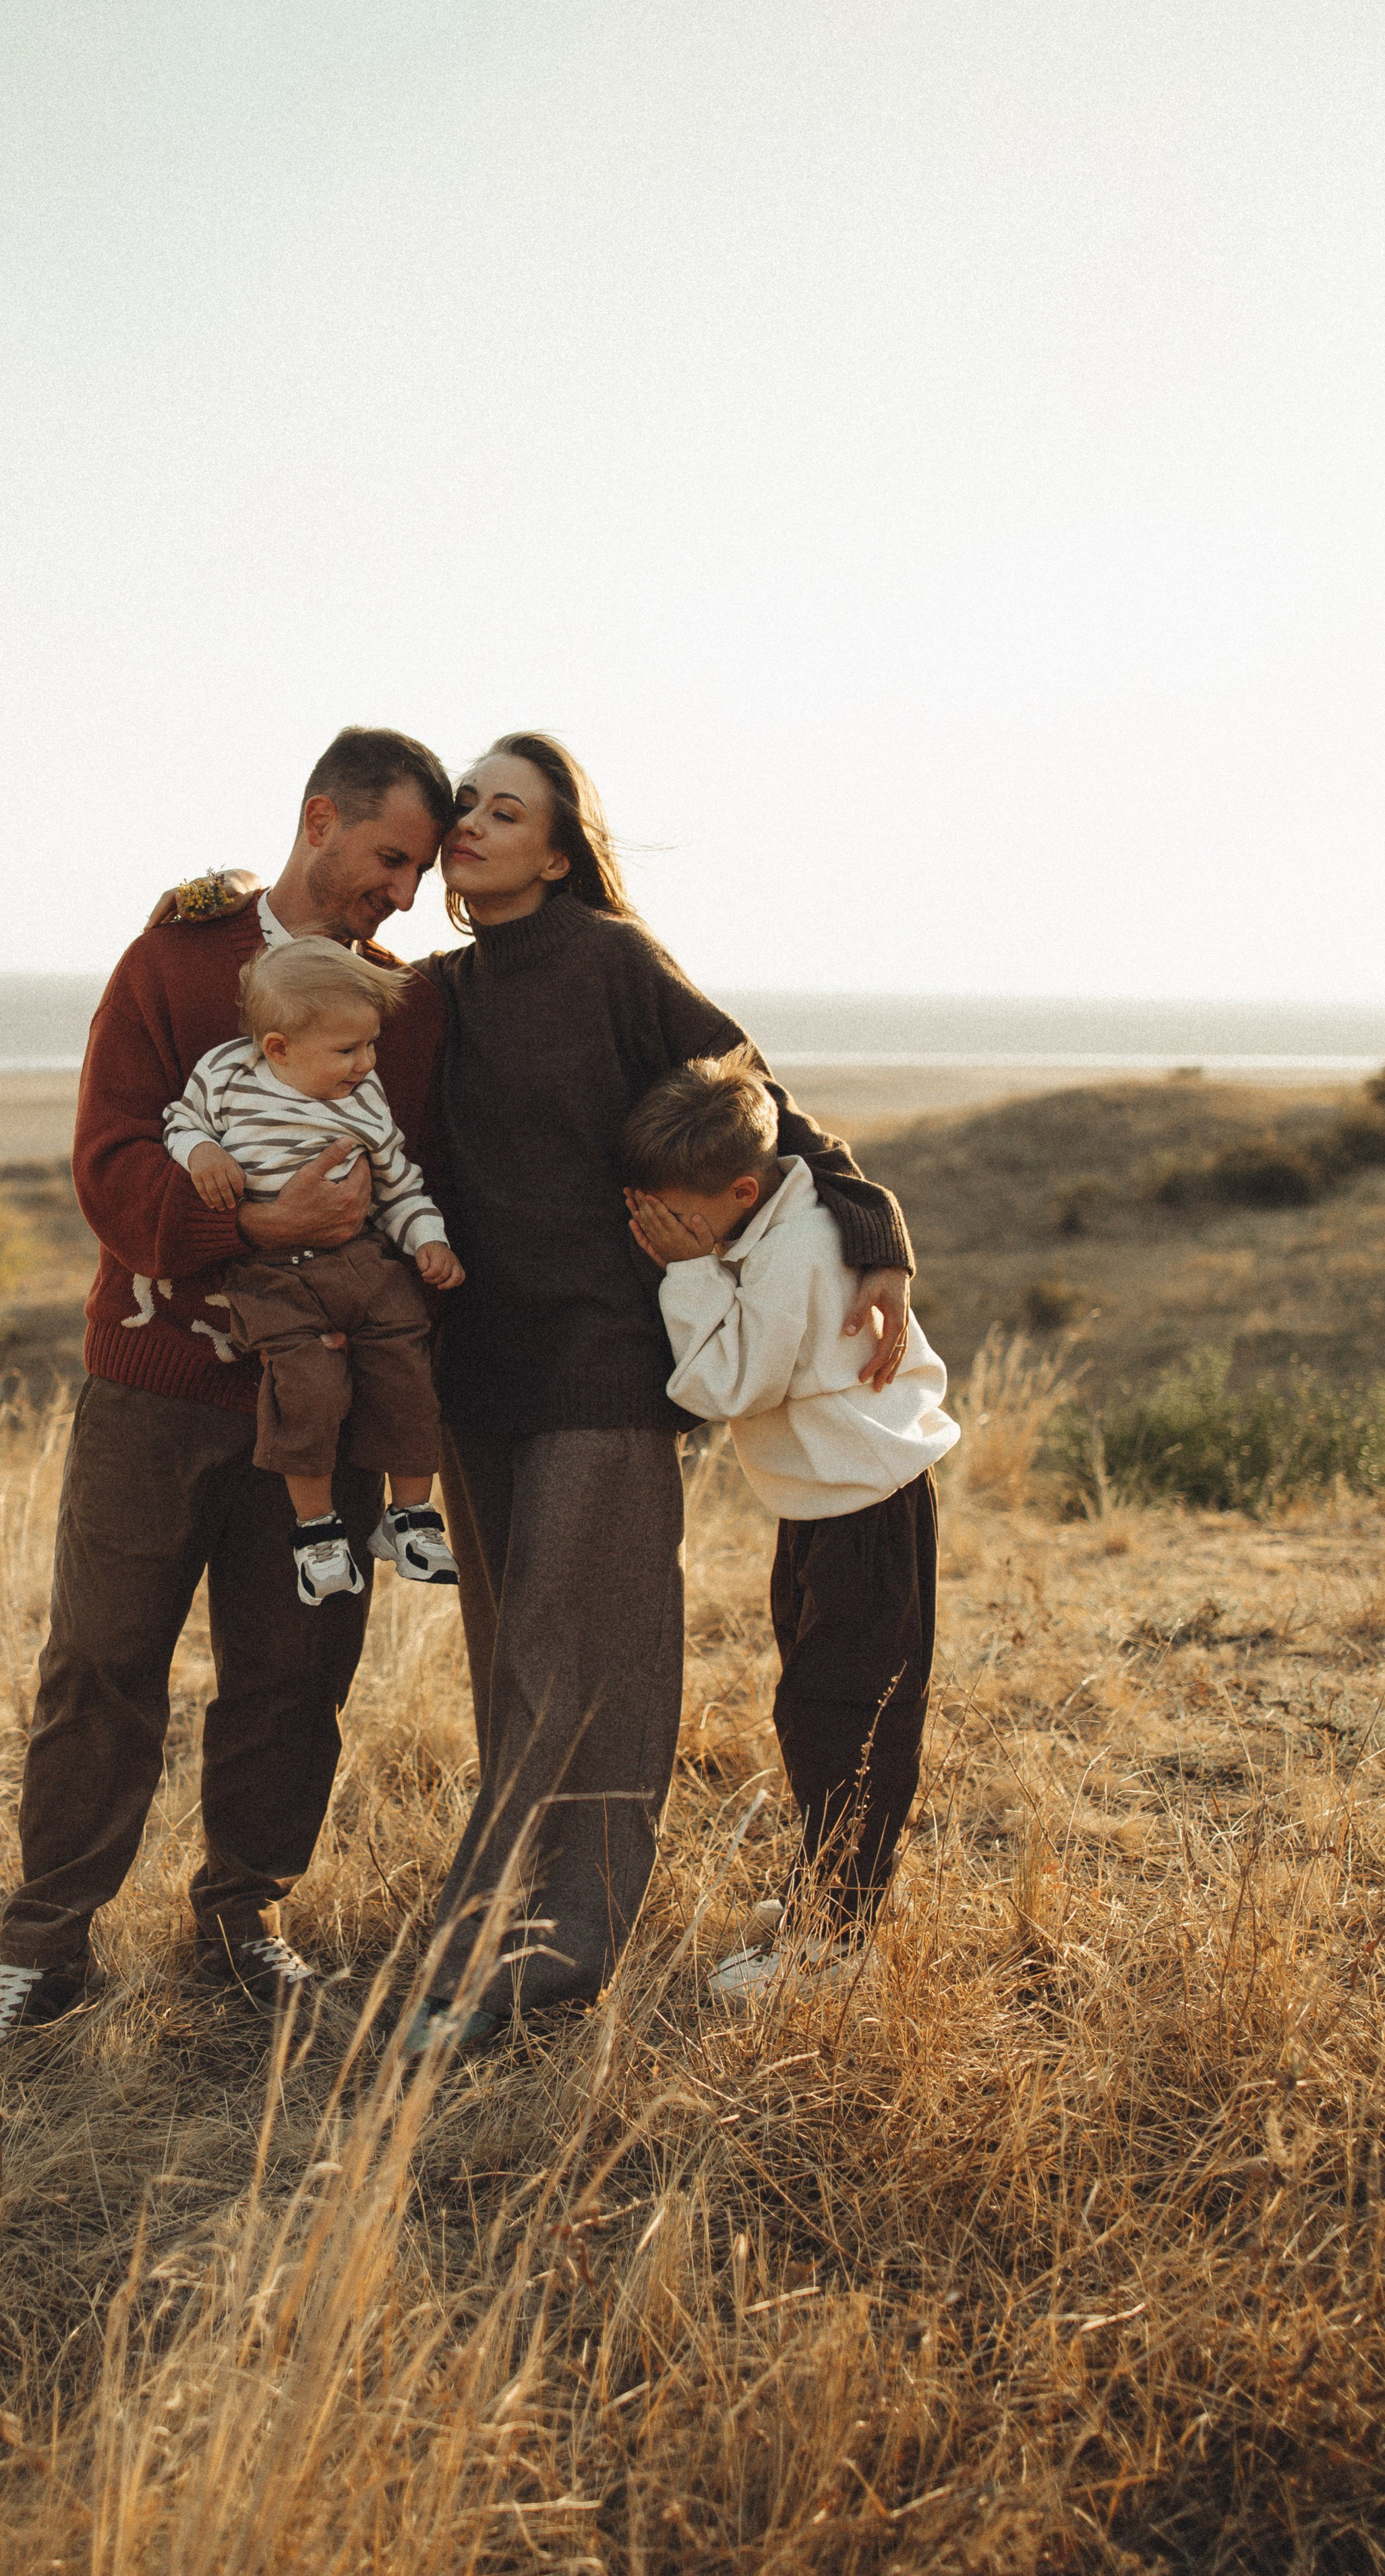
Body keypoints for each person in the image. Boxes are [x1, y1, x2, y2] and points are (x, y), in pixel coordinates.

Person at [392, 734, 917, 2057]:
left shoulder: (609, 961)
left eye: (505, 811)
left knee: (581, 1659)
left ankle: (539, 1953)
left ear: (556, 852)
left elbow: (753, 1096)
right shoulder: (436, 991)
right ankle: (511, 1919)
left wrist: (869, 1225)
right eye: (465, 805)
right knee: (511, 1663)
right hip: (479, 1372)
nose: (472, 825)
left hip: (604, 1364)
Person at [0, 726, 454, 2043]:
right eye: (389, 859)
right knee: (100, 1662)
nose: (403, 894)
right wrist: (252, 1226)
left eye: (420, 873)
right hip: (156, 1390)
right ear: (320, 819)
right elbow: (109, 1158)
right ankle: (45, 1946)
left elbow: (419, 1180)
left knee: (297, 1670)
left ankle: (243, 1925)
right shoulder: (175, 962)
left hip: (325, 1411)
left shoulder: (403, 1011)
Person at [623, 1053, 958, 2005]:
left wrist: (689, 1272)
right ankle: (829, 1897)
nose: (661, 1228)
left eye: (676, 1214)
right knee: (815, 1705)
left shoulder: (797, 1252)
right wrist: (699, 1250)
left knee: (847, 1719)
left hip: (864, 1509)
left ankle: (834, 1945)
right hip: (825, 1502)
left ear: (741, 1190)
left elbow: (728, 1384)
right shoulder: (776, 1215)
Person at [162, 935, 463, 1604]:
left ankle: (409, 1518)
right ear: (278, 1048)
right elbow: (180, 1123)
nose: (367, 1062)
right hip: (270, 1275)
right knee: (309, 1390)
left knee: (408, 1367)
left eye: (371, 1044)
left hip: (360, 1260)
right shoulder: (228, 1075)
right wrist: (203, 1154)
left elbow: (398, 1182)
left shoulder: (364, 1098)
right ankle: (318, 1533)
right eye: (348, 1049)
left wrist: (427, 1240)